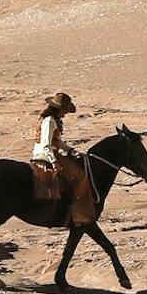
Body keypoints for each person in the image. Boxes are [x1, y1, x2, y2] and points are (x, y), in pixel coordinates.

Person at [30, 92, 96, 223]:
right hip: (46, 155)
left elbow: (57, 142)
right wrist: (53, 161)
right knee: (79, 176)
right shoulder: (49, 121)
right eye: (65, 111)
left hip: (52, 153)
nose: (65, 114)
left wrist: (71, 151)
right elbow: (46, 144)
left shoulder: (52, 119)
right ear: (59, 109)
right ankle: (79, 214)